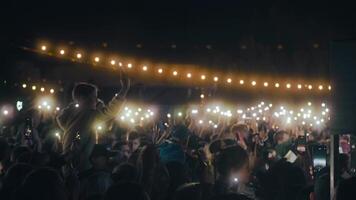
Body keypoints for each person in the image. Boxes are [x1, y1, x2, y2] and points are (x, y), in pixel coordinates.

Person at [56, 77, 129, 172]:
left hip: (70, 167)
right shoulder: (87, 115)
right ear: (82, 98)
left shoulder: (73, 114)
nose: (96, 100)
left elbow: (78, 133)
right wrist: (124, 89)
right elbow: (109, 112)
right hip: (78, 169)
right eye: (94, 97)